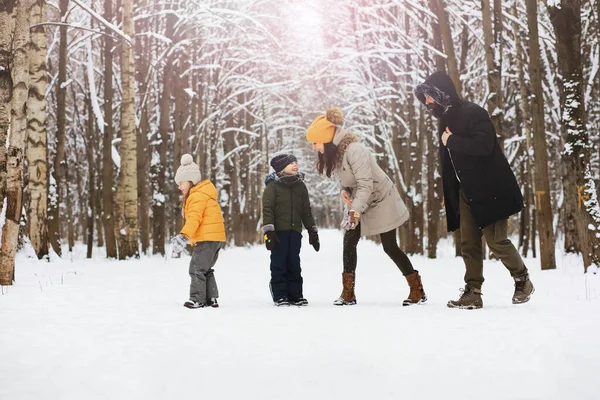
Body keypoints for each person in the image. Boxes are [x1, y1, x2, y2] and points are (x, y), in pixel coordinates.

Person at [414, 71, 534, 309]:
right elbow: (449, 164)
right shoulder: (444, 121)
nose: (428, 103)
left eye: (430, 97)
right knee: (468, 243)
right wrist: (449, 195)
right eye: (425, 99)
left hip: (492, 189)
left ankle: (522, 280)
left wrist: (452, 141)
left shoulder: (474, 112)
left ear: (441, 93)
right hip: (466, 192)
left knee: (496, 241)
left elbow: (484, 145)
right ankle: (473, 292)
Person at [305, 107, 427, 306]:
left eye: (315, 142)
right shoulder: (334, 154)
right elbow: (348, 181)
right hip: (359, 199)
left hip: (380, 198)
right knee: (349, 240)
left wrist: (355, 210)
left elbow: (366, 184)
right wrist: (344, 191)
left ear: (326, 139)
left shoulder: (355, 150)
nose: (313, 147)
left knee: (390, 246)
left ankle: (417, 289)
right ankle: (348, 293)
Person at [261, 153, 320, 307]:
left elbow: (306, 210)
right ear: (281, 168)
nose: (295, 165)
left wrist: (312, 231)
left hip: (295, 232)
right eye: (291, 163)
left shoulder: (300, 186)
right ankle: (280, 294)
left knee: (294, 263)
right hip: (278, 233)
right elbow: (267, 210)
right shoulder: (272, 186)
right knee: (279, 263)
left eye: (296, 162)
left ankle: (296, 295)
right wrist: (269, 233)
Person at [170, 154, 226, 309]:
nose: (179, 186)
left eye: (181, 182)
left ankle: (197, 299)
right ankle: (211, 298)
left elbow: (194, 219)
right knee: (206, 269)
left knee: (196, 268)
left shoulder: (196, 196)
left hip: (206, 238)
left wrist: (184, 235)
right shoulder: (205, 194)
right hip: (215, 237)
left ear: (191, 180)